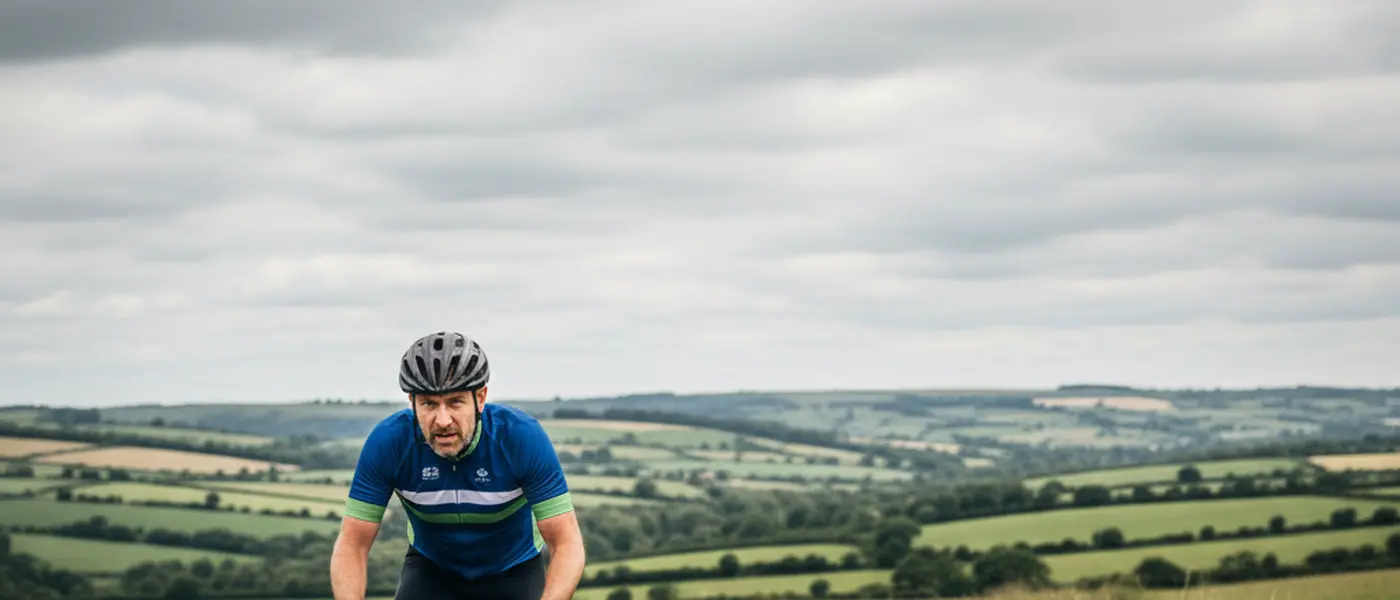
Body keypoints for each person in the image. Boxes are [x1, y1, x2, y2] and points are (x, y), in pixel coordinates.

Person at [330, 331, 585, 600]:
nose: (442, 420)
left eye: (455, 402)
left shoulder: (520, 437)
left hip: (513, 568)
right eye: (429, 404)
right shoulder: (389, 442)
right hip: (431, 569)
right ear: (412, 402)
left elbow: (567, 543)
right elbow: (352, 544)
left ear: (480, 398)